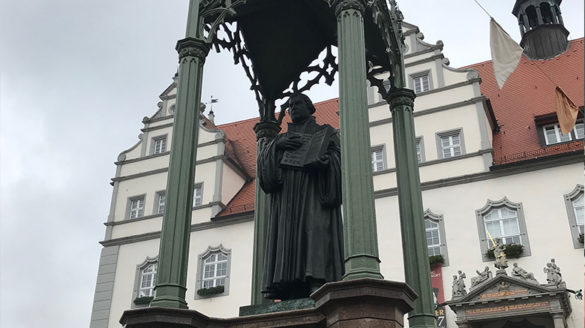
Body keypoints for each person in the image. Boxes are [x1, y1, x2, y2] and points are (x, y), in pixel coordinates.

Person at [258, 93, 344, 300]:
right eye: (289, 106)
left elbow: (340, 161)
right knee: (286, 238)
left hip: (313, 192)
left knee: (315, 233)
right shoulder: (280, 139)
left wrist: (326, 163)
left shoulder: (326, 133)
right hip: (287, 197)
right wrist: (277, 147)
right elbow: (264, 174)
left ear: (310, 107)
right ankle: (288, 287)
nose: (293, 108)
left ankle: (318, 281)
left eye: (298, 104)